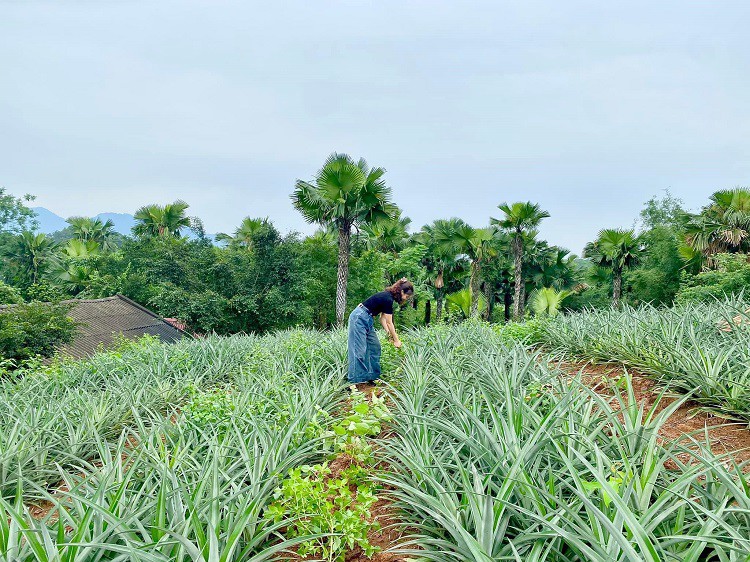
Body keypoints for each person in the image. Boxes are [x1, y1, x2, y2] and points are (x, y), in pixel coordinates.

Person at [347, 278, 414, 384]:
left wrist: (389, 335)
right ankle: (353, 382)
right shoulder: (387, 298)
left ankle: (371, 377)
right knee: (358, 350)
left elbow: (382, 319)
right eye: (407, 296)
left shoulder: (388, 298)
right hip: (359, 317)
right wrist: (396, 340)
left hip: (368, 319)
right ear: (401, 292)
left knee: (374, 347)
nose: (406, 298)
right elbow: (389, 322)